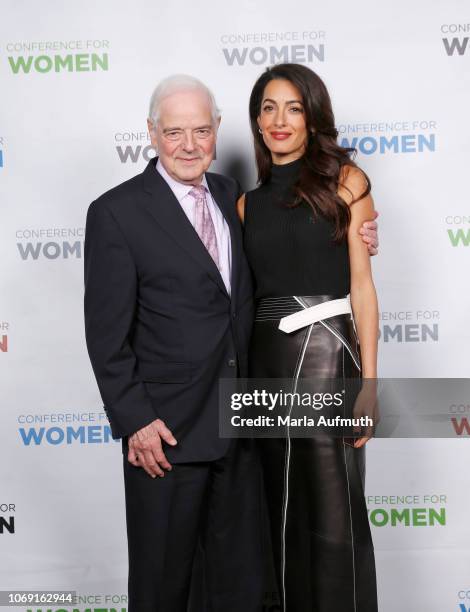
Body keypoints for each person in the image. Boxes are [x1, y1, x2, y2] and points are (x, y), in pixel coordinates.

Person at [84, 75, 264, 612]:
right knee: (164, 588)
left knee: (237, 589)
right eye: (175, 132)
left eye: (202, 131)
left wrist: (356, 232)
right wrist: (135, 419)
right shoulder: (116, 212)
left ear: (217, 131)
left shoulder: (232, 196)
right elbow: (105, 333)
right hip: (165, 436)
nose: (190, 146)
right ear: (151, 132)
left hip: (239, 428)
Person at [238, 63, 379, 611]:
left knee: (335, 509)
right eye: (269, 108)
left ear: (312, 118)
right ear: (256, 120)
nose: (280, 120)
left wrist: (369, 384)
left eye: (293, 108)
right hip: (264, 362)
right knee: (277, 508)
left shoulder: (347, 182)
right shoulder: (245, 205)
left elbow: (363, 290)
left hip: (328, 356)